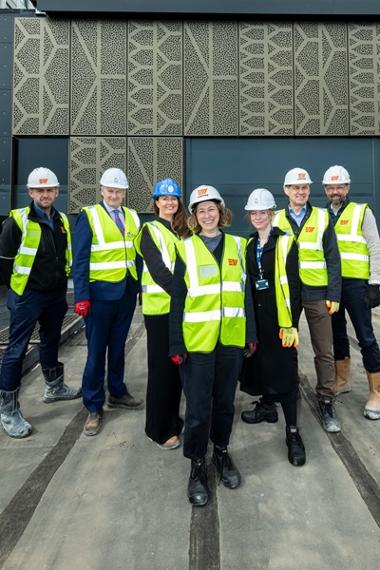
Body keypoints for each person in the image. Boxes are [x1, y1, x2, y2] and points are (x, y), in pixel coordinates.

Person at [169, 185, 256, 507]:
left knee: (225, 404)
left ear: (221, 212)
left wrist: (251, 333)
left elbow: (244, 293)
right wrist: (176, 342)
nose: (207, 215)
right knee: (197, 409)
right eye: (201, 210)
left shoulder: (237, 244)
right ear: (194, 216)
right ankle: (196, 464)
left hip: (231, 338)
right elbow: (177, 299)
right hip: (197, 342)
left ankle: (221, 452)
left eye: (212, 209)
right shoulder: (186, 249)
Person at [0, 167, 81, 439]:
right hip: (27, 296)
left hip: (55, 294)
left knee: (50, 339)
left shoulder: (62, 220)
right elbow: (5, 263)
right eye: (40, 190)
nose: (45, 194)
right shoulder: (18, 221)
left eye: (50, 190)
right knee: (16, 350)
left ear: (57, 191)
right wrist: (14, 295)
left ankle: (54, 387)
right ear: (30, 192)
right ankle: (8, 410)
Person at [72, 167, 144, 437]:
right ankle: (93, 405)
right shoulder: (89, 216)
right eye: (110, 190)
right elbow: (79, 260)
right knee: (95, 352)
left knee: (117, 347)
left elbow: (136, 254)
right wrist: (81, 296)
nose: (114, 194)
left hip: (125, 293)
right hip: (99, 296)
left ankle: (117, 391)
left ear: (124, 193)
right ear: (102, 190)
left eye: (119, 190)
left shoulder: (133, 217)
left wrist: (137, 288)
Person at [273, 167, 342, 433]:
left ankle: (326, 399)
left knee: (324, 349)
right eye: (295, 188)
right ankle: (286, 392)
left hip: (317, 292)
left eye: (304, 188)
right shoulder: (276, 218)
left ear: (309, 191)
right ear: (286, 191)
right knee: (285, 346)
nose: (300, 192)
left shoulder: (323, 218)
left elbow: (333, 259)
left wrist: (334, 293)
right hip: (288, 293)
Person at [240, 188, 305, 466]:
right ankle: (267, 407)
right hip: (256, 319)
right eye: (253, 212)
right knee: (261, 366)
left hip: (280, 322)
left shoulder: (286, 243)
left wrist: (291, 322)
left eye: (262, 212)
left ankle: (292, 433)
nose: (258, 216)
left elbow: (294, 286)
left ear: (271, 213)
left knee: (286, 375)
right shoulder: (247, 244)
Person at [135, 178, 189, 450]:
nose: (170, 202)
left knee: (176, 368)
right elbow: (158, 272)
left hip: (178, 310)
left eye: (174, 198)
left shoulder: (180, 232)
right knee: (160, 371)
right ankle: (156, 429)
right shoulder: (149, 231)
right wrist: (184, 295)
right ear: (155, 202)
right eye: (164, 198)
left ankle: (172, 420)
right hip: (159, 312)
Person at [323, 165, 380, 420]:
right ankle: (342, 380)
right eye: (331, 187)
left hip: (356, 285)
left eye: (340, 186)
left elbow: (375, 247)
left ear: (347, 187)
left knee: (366, 337)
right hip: (331, 285)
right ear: (325, 190)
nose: (335, 191)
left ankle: (376, 392)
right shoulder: (322, 216)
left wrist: (375, 282)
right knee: (337, 334)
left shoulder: (361, 212)